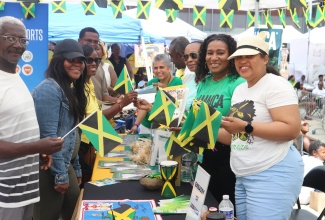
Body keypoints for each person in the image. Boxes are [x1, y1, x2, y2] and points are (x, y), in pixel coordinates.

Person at [221, 32, 304, 220]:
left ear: (265, 58)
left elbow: (292, 130)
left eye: (249, 56)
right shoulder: (240, 89)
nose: (243, 61)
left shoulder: (276, 85)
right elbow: (237, 136)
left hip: (272, 172)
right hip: (243, 174)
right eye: (238, 57)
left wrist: (246, 126)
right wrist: (197, 129)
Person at [0, 16, 63, 220]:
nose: (18, 45)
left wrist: (36, 152)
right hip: (4, 195)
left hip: (24, 189)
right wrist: (36, 147)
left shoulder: (14, 77)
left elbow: (12, 129)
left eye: (22, 40)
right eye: (10, 38)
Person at [32, 39, 87, 220]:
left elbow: (72, 135)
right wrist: (60, 177)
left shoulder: (68, 89)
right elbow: (49, 138)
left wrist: (77, 168)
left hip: (65, 164)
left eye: (80, 60)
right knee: (48, 216)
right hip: (50, 169)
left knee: (74, 212)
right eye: (71, 60)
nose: (77, 64)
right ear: (58, 61)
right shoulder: (49, 90)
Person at [194, 34, 246, 207]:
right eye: (209, 53)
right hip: (204, 156)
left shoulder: (238, 83)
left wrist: (199, 128)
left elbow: (237, 133)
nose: (214, 58)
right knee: (204, 207)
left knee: (224, 209)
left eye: (220, 53)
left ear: (231, 56)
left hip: (228, 159)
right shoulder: (204, 82)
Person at [78, 44, 138, 186]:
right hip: (84, 145)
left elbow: (101, 102)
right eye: (89, 60)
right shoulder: (78, 87)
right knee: (87, 184)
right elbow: (95, 120)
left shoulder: (89, 83)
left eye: (97, 60)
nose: (94, 63)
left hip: (95, 140)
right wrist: (121, 104)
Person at [129, 54, 183, 134]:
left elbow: (177, 108)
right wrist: (136, 125)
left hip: (164, 127)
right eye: (155, 68)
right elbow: (144, 106)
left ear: (169, 68)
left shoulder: (177, 82)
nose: (158, 71)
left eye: (161, 67)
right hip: (147, 125)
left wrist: (165, 90)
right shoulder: (152, 82)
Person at [78, 27, 115, 102]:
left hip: (99, 111)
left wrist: (120, 101)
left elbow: (104, 95)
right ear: (79, 41)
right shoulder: (75, 66)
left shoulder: (99, 66)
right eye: (88, 41)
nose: (92, 44)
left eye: (95, 42)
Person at [299, 140, 325, 204]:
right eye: (323, 153)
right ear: (314, 153)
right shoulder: (319, 165)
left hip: (295, 197)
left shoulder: (302, 158)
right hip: (306, 198)